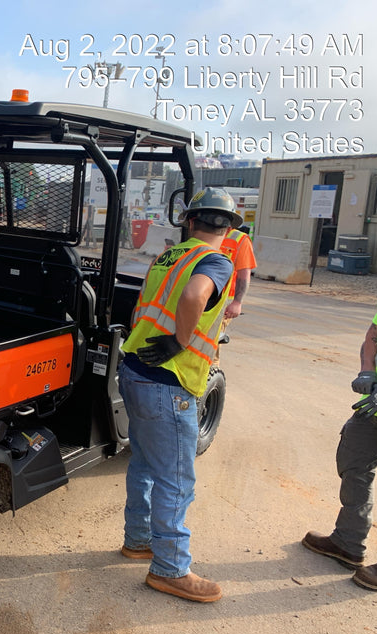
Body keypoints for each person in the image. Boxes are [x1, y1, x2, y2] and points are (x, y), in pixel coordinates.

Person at [118, 187, 241, 603]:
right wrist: (179, 341)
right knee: (175, 478)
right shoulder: (216, 261)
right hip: (168, 382)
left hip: (134, 369)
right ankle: (170, 569)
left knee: (145, 464)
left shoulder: (168, 256)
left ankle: (138, 541)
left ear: (190, 221)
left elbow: (149, 305)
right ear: (228, 229)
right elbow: (194, 296)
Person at [302, 287, 377, 591]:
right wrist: (367, 371)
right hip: (374, 405)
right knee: (353, 464)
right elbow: (372, 336)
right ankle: (348, 542)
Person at [215, 224, 256, 363]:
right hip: (202, 296)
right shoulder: (205, 233)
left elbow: (244, 274)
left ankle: (211, 379)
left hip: (224, 301)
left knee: (211, 345)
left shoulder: (240, 239)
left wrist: (237, 302)